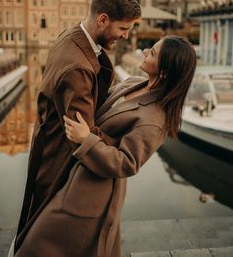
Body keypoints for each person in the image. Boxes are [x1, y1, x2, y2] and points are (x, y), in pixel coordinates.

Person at [14, 36, 197, 257]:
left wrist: (86, 140)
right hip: (77, 171)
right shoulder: (132, 83)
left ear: (164, 72)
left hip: (94, 190)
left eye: (154, 52)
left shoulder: (156, 120)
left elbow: (127, 163)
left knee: (38, 245)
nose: (145, 50)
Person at [12, 0, 141, 256]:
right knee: (48, 232)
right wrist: (123, 145)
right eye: (123, 28)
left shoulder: (73, 35)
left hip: (47, 144)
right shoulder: (77, 69)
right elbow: (83, 133)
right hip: (57, 159)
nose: (126, 36)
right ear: (103, 19)